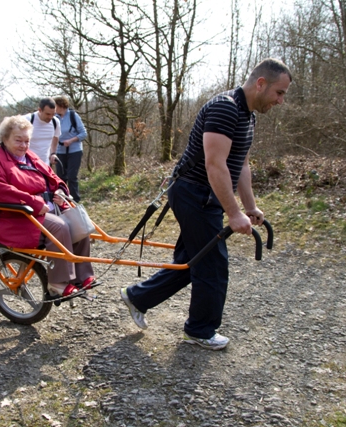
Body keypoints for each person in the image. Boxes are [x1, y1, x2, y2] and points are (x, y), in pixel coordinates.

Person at [120, 58, 292, 350]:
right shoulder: (226, 108)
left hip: (204, 194)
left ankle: (138, 297)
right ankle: (199, 330)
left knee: (195, 261)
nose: (281, 100)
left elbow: (241, 165)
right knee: (212, 264)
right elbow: (215, 165)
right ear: (261, 83)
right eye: (279, 92)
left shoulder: (247, 115)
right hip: (193, 192)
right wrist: (234, 213)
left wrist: (250, 207)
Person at [0, 115, 94, 297]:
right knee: (60, 227)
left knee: (79, 223)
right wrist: (33, 202)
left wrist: (59, 189)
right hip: (16, 215)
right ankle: (57, 282)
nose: (24, 146)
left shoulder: (30, 156)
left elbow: (52, 175)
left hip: (43, 207)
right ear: (5, 138)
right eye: (18, 140)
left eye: (27, 141)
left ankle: (82, 275)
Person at [53, 96, 87, 202]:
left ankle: (75, 200)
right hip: (59, 151)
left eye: (55, 106)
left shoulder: (73, 115)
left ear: (61, 106)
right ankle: (63, 200)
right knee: (61, 178)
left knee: (72, 176)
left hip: (74, 150)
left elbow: (83, 133)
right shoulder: (54, 117)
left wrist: (71, 140)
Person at [24, 98, 61, 165]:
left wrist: (53, 153)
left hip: (45, 165)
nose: (50, 117)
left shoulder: (55, 122)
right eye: (48, 114)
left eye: (53, 114)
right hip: (28, 164)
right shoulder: (27, 120)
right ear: (40, 110)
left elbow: (56, 137)